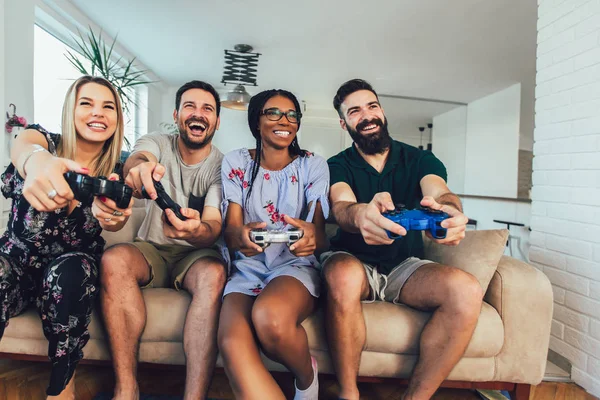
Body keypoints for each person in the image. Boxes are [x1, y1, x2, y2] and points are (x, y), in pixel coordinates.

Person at [322, 79, 480, 400]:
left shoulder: (420, 159)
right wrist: (361, 214)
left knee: (467, 290)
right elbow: (341, 205)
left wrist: (448, 211)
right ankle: (349, 394)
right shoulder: (335, 165)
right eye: (355, 111)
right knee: (341, 275)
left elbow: (440, 192)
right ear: (344, 123)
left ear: (382, 111)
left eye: (372, 106)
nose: (367, 116)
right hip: (352, 260)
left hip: (404, 266)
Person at [0, 75, 133, 399]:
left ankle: (62, 387)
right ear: (70, 111)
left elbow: (118, 215)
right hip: (16, 260)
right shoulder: (45, 141)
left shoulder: (118, 167)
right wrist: (36, 162)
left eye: (108, 106)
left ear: (117, 117)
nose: (98, 113)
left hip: (70, 269)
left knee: (72, 271)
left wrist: (113, 218)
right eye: (86, 103)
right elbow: (25, 145)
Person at [99, 80, 226, 400]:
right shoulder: (157, 141)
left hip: (197, 254)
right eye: (190, 106)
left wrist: (196, 230)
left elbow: (212, 225)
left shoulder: (222, 166)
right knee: (113, 260)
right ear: (177, 114)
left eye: (207, 109)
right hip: (151, 249)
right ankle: (126, 389)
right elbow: (138, 159)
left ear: (217, 121)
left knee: (214, 274)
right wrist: (139, 172)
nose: (198, 114)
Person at [217, 89, 329, 400]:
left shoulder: (313, 165)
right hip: (248, 267)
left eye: (292, 115)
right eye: (274, 113)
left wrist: (309, 236)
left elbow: (319, 236)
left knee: (270, 318)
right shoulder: (236, 162)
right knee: (230, 342)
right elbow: (231, 231)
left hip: (294, 265)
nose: (285, 121)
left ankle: (307, 378)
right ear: (256, 121)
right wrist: (240, 237)